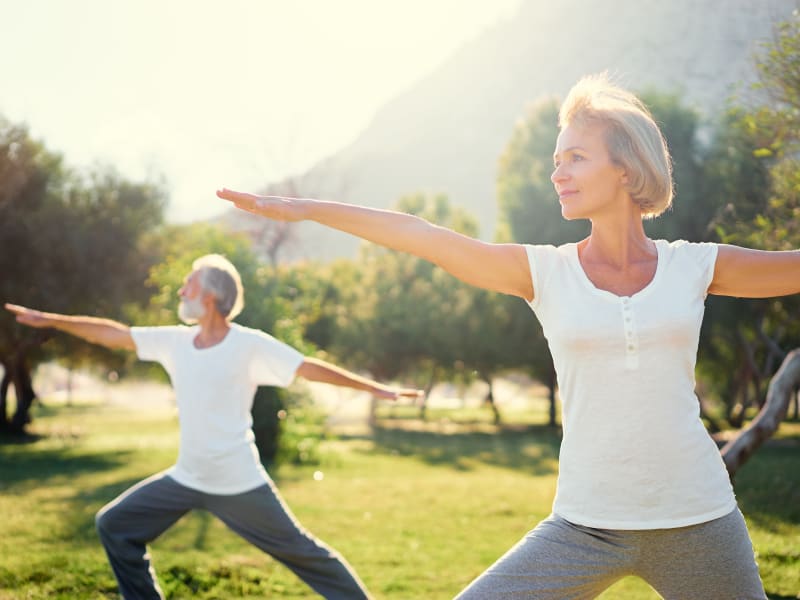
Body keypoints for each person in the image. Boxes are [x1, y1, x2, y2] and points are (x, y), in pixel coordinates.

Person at [216, 73, 800, 599]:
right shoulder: (545, 273)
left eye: (575, 157)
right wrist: (304, 208)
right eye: (555, 160)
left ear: (624, 167)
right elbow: (422, 236)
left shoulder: (691, 266)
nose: (557, 173)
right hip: (585, 524)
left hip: (698, 518)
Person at [5, 253, 422, 600]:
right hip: (187, 476)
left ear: (209, 297)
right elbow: (114, 334)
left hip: (238, 482)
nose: (181, 290)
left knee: (306, 555)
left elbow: (307, 367)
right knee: (114, 525)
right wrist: (52, 320)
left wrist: (377, 389)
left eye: (188, 284)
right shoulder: (176, 341)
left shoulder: (248, 345)